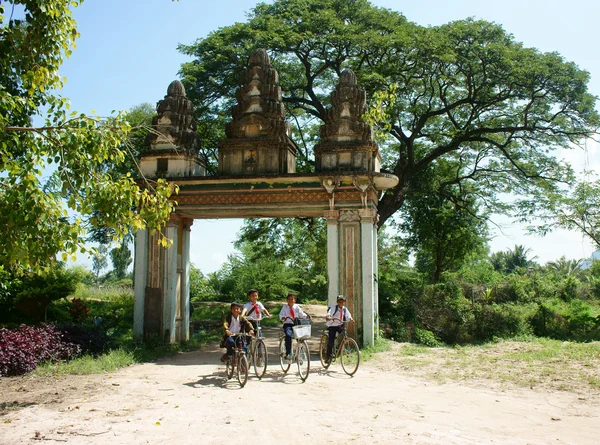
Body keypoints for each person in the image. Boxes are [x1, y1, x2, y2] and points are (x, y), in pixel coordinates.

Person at [279, 292, 308, 360]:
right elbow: (281, 314)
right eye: (289, 299)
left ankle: (300, 352)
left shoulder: (297, 307)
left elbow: (302, 314)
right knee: (288, 336)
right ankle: (288, 353)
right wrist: (283, 317)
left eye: (292, 299)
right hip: (288, 324)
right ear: (287, 300)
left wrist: (306, 316)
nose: (291, 301)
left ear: (294, 300)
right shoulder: (285, 307)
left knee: (301, 337)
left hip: (296, 324)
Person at [325, 295, 353, 362]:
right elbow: (329, 313)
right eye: (340, 302)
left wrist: (351, 319)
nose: (341, 303)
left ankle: (344, 349)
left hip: (340, 325)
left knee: (345, 335)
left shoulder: (345, 309)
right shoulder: (333, 308)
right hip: (332, 325)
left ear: (344, 302)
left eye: (342, 302)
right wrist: (328, 317)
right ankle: (327, 356)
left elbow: (348, 315)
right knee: (331, 341)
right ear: (337, 302)